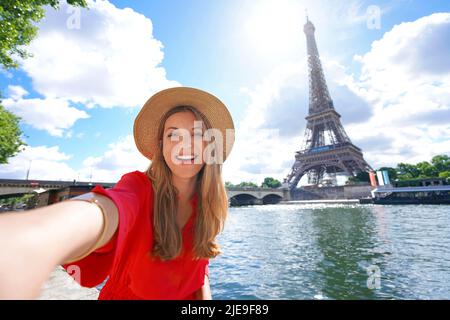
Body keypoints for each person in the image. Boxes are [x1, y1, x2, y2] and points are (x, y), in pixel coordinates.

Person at [0, 87, 235, 300]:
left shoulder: (207, 203)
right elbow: (106, 210)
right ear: (161, 147)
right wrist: (38, 239)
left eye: (196, 134)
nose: (185, 145)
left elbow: (198, 270)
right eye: (173, 135)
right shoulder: (138, 188)